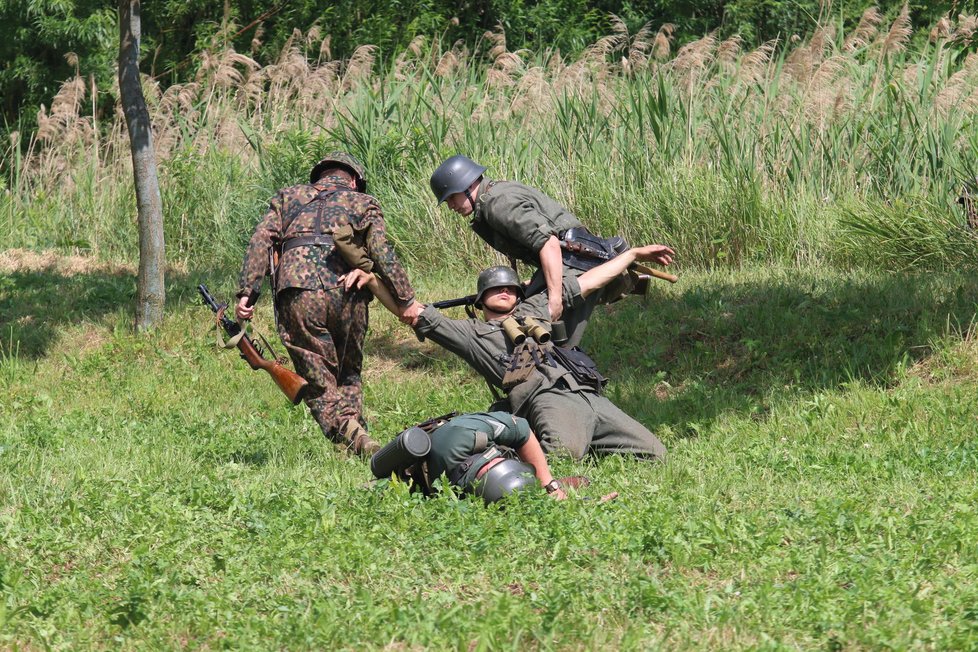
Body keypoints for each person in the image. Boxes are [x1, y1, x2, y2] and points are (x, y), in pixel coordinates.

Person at [345, 245, 670, 461]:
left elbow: (586, 283)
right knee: (561, 458)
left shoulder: (537, 307)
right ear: (480, 300)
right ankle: (507, 455)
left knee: (655, 453)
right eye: (494, 289)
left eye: (510, 288)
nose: (504, 291)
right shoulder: (472, 333)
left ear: (519, 293)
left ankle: (576, 440)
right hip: (547, 399)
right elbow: (412, 312)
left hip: (589, 395)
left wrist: (632, 255)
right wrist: (375, 282)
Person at [235, 152, 421, 456]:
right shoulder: (363, 202)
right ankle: (358, 440)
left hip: (298, 293)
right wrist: (406, 299)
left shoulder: (287, 197)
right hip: (347, 290)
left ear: (320, 175)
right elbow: (381, 251)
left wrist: (248, 291)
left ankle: (353, 436)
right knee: (348, 370)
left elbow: (260, 240)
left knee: (318, 376)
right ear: (354, 180)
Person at [429, 155, 674, 346]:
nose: (450, 206)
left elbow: (549, 243)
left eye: (451, 198)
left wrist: (555, 297)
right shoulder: (495, 195)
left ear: (468, 184)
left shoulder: (496, 204)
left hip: (573, 262)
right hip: (570, 258)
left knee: (545, 334)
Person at [372, 411, 569, 503]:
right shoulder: (466, 434)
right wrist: (550, 486)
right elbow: (522, 430)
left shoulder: (471, 434)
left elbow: (522, 430)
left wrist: (547, 486)